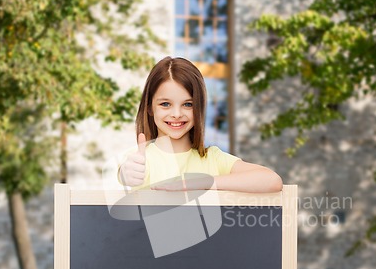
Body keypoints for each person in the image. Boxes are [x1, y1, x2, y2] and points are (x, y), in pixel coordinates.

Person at [118, 56, 283, 193]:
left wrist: (201, 183)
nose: (176, 114)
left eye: (188, 104)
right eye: (165, 104)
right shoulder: (138, 160)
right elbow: (122, 176)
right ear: (150, 108)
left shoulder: (213, 159)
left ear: (199, 108)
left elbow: (272, 180)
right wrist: (125, 173)